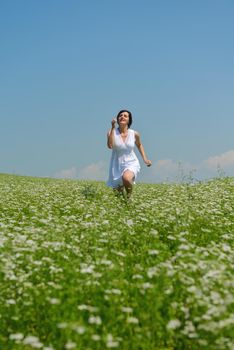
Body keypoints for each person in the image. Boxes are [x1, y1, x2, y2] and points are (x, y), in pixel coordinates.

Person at [107, 109, 152, 199]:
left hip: (131, 162)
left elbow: (139, 145)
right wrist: (112, 127)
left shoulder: (134, 134)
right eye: (120, 115)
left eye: (125, 116)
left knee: (126, 178)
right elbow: (110, 146)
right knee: (118, 196)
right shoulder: (111, 132)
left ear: (129, 120)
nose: (122, 117)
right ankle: (125, 205)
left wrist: (145, 159)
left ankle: (129, 198)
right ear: (117, 119)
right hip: (116, 164)